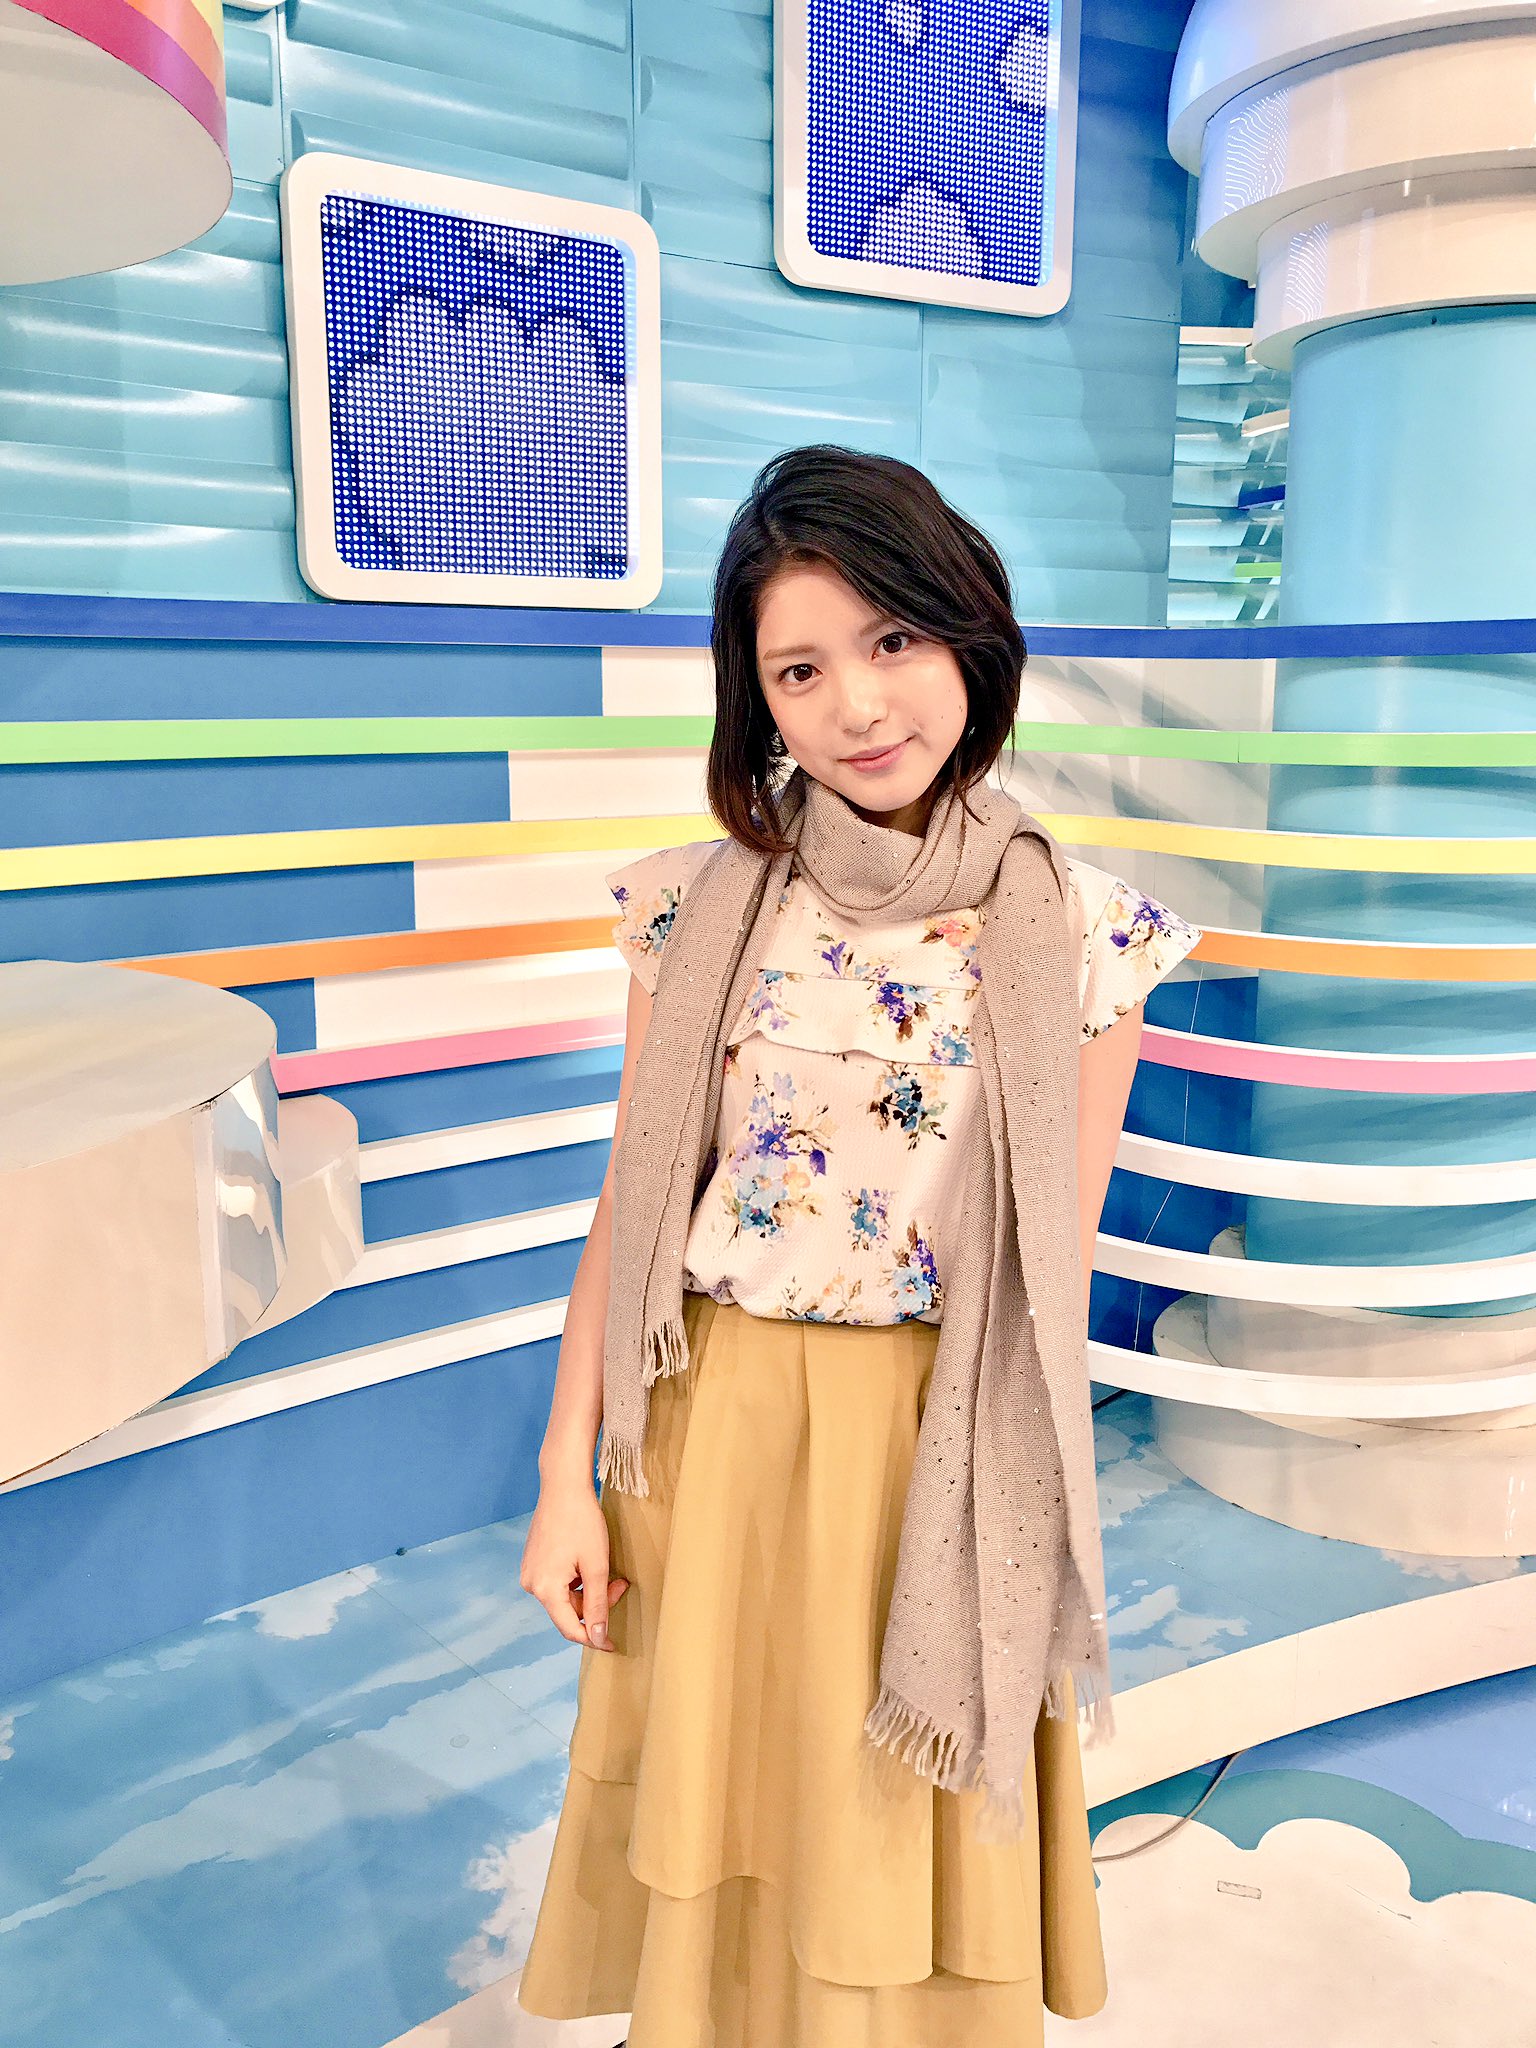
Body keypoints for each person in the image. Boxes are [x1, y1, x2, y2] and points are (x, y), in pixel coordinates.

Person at [515, 444, 1203, 2046]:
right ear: (756, 701)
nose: (858, 703)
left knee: (893, 1822)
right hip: (712, 1427)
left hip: (929, 1445)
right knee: (728, 1796)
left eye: (892, 638)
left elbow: (1050, 1273)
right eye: (800, 669)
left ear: (970, 632)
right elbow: (633, 1205)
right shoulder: (696, 908)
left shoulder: (1086, 933)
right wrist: (563, 1478)